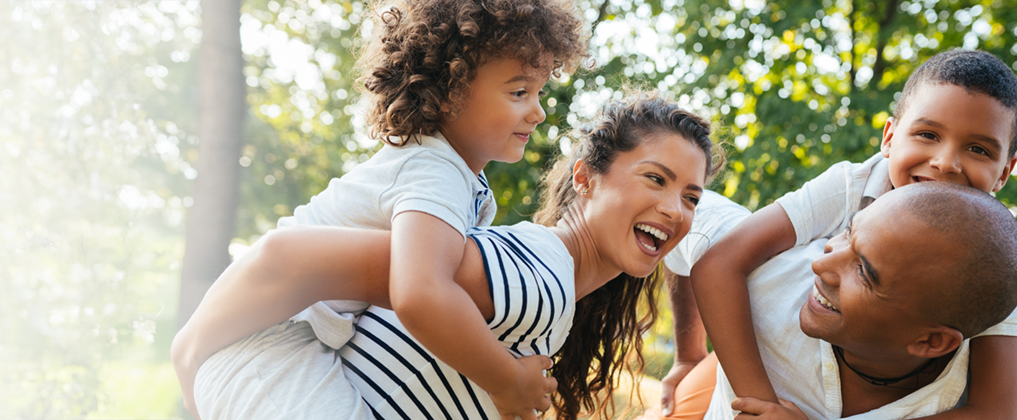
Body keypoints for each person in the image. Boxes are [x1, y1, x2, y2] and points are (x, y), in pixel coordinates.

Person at [174, 91, 722, 420]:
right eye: (655, 179)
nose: (676, 210)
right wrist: (193, 353)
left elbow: (711, 247)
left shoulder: (549, 296)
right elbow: (289, 258)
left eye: (691, 197)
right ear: (585, 178)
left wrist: (687, 356)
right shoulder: (536, 269)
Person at [172, 0, 588, 418]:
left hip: (280, 347)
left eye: (538, 91)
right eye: (519, 92)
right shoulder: (433, 171)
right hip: (268, 350)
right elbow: (420, 294)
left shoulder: (456, 180)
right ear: (449, 91)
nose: (537, 111)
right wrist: (507, 381)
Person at [650, 49, 1017, 420]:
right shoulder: (854, 185)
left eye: (978, 149)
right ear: (889, 137)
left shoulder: (989, 259)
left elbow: (995, 409)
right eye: (928, 134)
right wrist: (754, 400)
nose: (945, 162)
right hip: (777, 340)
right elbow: (717, 257)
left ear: (1004, 172)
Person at [661, 181, 1017, 419]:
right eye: (847, 233)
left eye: (865, 273)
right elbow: (675, 214)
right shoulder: (767, 276)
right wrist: (687, 354)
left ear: (931, 342)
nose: (822, 266)